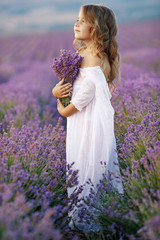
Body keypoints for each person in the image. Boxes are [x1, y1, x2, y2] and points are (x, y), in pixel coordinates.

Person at [52, 4, 124, 229]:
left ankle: (92, 223)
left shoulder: (91, 64)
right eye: (77, 19)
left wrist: (56, 96)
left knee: (85, 167)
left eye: (83, 21)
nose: (76, 24)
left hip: (86, 130)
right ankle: (101, 216)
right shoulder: (85, 55)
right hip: (84, 125)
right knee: (85, 168)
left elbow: (67, 109)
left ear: (96, 28)